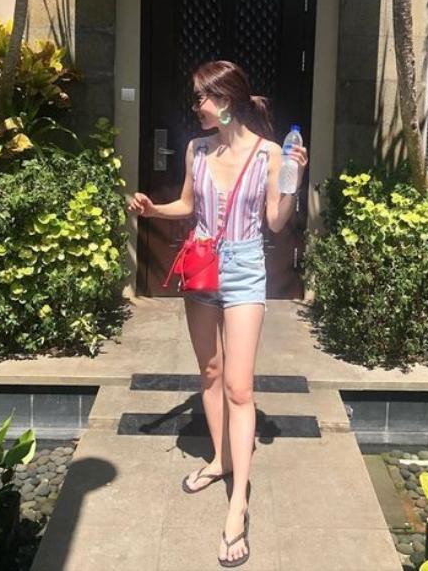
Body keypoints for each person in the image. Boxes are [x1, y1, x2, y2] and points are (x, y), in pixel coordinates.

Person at [128, 60, 308, 567]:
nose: (196, 107)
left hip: (246, 268)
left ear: (226, 100)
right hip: (202, 265)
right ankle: (220, 458)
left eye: (202, 98)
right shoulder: (197, 149)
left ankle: (238, 503)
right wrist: (153, 210)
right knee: (209, 372)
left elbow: (276, 221)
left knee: (239, 387)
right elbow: (188, 205)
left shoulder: (270, 153)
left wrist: (293, 180)